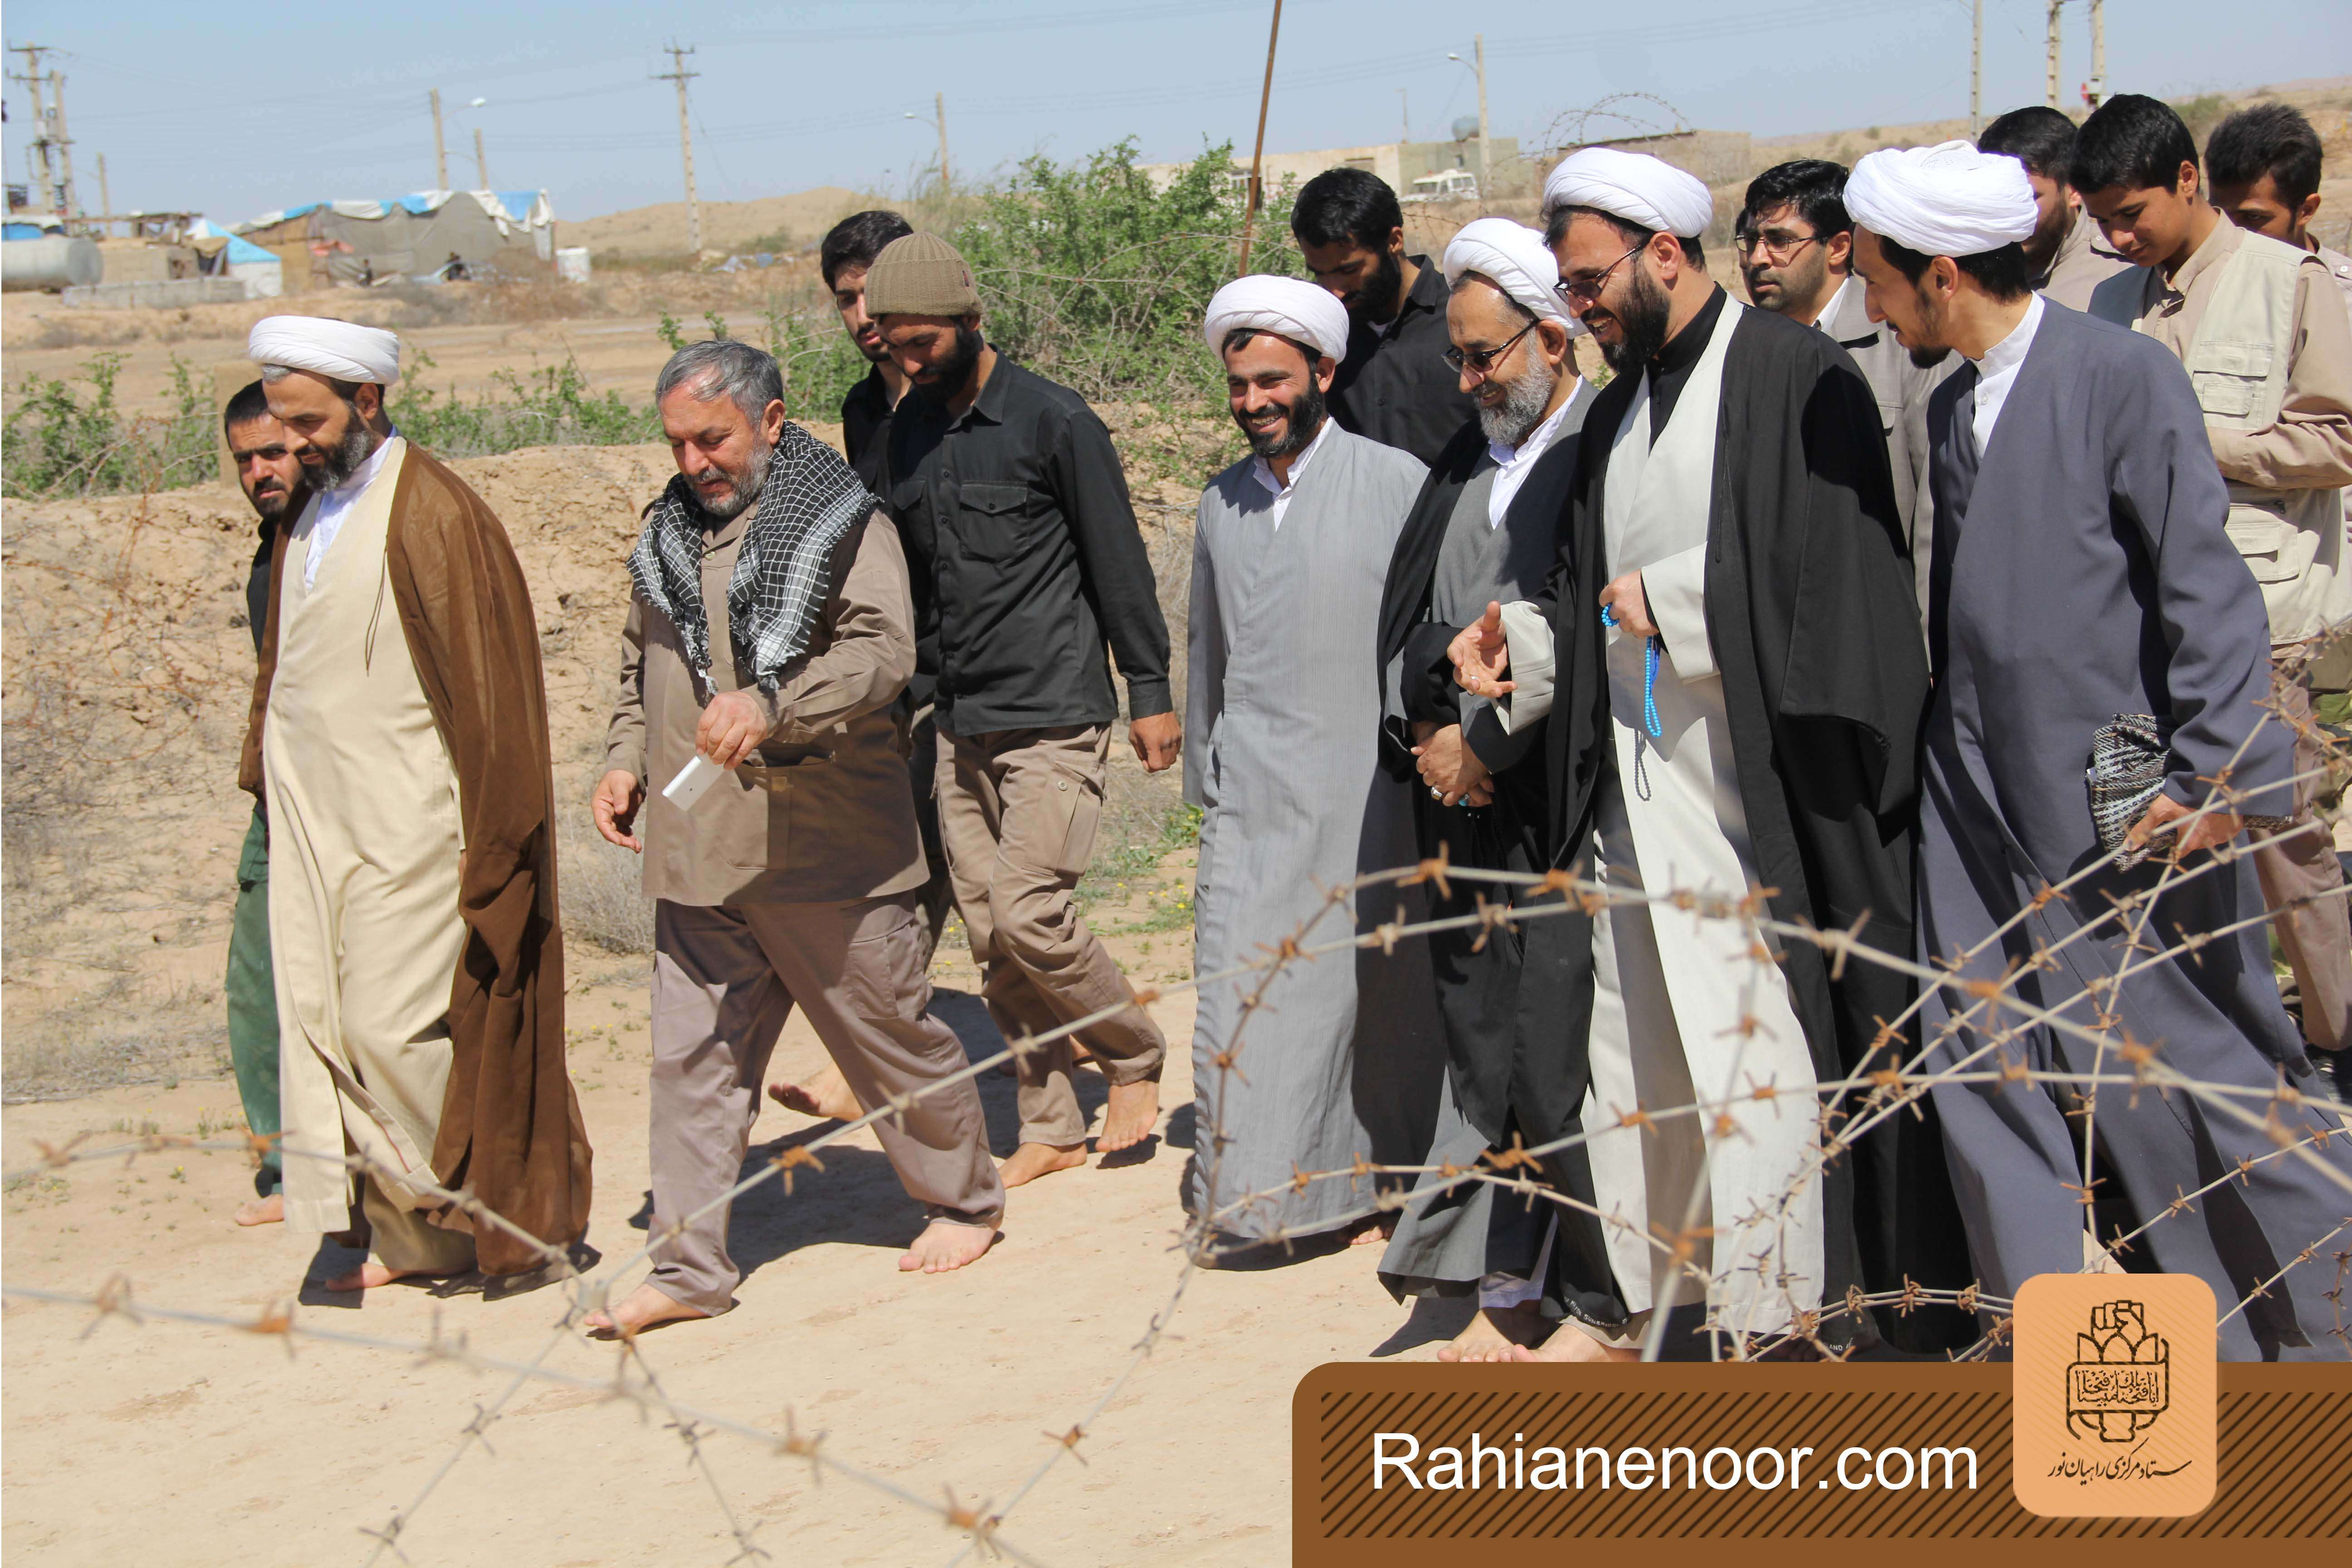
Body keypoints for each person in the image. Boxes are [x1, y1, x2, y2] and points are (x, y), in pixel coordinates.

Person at [1445, 148, 1965, 1360]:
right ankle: (1674, 1288)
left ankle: (1786, 1307)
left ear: (1661, 254)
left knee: (1756, 1043)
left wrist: (1674, 602)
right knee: (1640, 1044)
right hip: (1638, 785)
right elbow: (1588, 589)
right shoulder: (1621, 405)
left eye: (1584, 280)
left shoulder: (1795, 375)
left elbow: (1841, 575)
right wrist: (1519, 639)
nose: (1572, 304)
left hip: (1765, 793)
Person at [1846, 141, 2352, 1357]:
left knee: (2186, 1072)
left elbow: (2206, 591)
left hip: (2122, 781)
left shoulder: (2117, 375)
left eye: (1875, 274)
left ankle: (2309, 1333)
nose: (1866, 302)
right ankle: (2044, 1342)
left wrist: (2208, 777)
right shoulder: (1961, 401)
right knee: (1977, 1064)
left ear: (1945, 270)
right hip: (1974, 787)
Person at [587, 341, 1004, 1335]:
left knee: (887, 1035)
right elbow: (636, 664)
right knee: (691, 1062)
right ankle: (687, 1272)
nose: (696, 463)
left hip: (826, 846)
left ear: (772, 422)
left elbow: (881, 655)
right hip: (699, 843)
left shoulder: (841, 524)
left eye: (714, 439)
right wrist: (622, 758)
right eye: (680, 444)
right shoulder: (665, 538)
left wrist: (777, 705)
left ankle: (965, 1201)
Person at [241, 316, 590, 1290]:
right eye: (280, 424)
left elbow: (494, 694)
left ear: (367, 401)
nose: (293, 443)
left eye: (307, 422)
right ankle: (410, 1238)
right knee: (322, 1018)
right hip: (316, 818)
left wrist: (500, 842)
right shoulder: (307, 512)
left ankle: (498, 1216)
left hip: (412, 821)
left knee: (395, 1026)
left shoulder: (434, 511)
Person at [870, 233, 1173, 1188]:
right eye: (893, 346)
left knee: (1033, 914)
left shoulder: (1055, 421)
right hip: (959, 718)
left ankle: (1133, 1055)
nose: (909, 362)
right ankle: (1050, 1123)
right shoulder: (905, 431)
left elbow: (1116, 559)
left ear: (971, 322)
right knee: (992, 939)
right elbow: (911, 585)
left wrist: (1151, 692)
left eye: (924, 343)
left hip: (1054, 710)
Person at [2074, 93, 2352, 1072]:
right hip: (2146, 618)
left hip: (2267, 615)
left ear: (2188, 182)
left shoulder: (2291, 281)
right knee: (2173, 841)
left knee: (2278, 836)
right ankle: (2229, 1049)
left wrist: (2194, 443)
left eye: (2131, 213)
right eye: (2099, 218)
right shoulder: (2114, 300)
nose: (2115, 236)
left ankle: (2333, 1039)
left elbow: (2335, 440)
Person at [1361, 220, 1596, 1346]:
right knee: (1481, 1024)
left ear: (1552, 336)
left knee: (1557, 1036)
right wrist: (1428, 729)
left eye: (1483, 356)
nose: (1464, 380)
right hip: (1457, 796)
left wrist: (1483, 741)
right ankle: (1503, 1236)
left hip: (1560, 798)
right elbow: (1409, 621)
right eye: (1455, 357)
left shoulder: (1600, 448)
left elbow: (1584, 633)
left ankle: (1580, 1253)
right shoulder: (1467, 459)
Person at [1181, 275, 1445, 1245]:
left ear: (1324, 373)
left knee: (1368, 992)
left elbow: (1426, 643)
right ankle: (1255, 1201)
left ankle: (1375, 1184)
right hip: (1253, 795)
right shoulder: (1219, 505)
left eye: (1271, 382)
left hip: (1368, 790)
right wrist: (1206, 780)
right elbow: (1207, 654)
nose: (1252, 403)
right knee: (1247, 984)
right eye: (1239, 385)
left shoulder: (1396, 483)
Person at [768, 208, 944, 1126]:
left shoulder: (964, 392)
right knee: (905, 865)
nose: (865, 313)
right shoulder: (861, 409)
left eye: (877, 291)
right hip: (898, 668)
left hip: (982, 667)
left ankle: (1100, 1039)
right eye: (847, 299)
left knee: (967, 881)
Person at [1737, 158, 1955, 613]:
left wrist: (1925, 648)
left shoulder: (1904, 342)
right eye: (1752, 240)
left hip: (1883, 620)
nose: (1758, 258)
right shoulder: (1744, 355)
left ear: (1838, 248)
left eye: (1778, 241)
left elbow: (1936, 512)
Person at [221, 382, 306, 1229]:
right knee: (255, 986)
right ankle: (287, 1167)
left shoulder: (333, 539)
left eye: (273, 451)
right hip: (275, 796)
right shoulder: (269, 548)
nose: (258, 471)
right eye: (244, 458)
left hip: (346, 795)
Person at [1290, 167, 1479, 466]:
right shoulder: (1320, 334)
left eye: (1348, 270)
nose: (1334, 292)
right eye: (1320, 275)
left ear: (1394, 242)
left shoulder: (1465, 318)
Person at [1975, 106, 2131, 310]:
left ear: (2073, 190)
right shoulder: (1971, 274)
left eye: (2027, 199)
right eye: (1998, 201)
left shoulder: (2122, 271)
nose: (2012, 217)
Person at [2207, 101, 2352, 315]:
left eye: (2253, 217)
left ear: (2306, 210)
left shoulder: (2343, 299)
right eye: (2219, 215)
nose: (2231, 233)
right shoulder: (2198, 291)